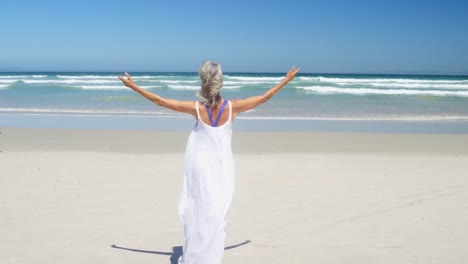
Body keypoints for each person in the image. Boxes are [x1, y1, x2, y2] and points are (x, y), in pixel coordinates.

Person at [118, 62, 300, 264]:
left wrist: (134, 87)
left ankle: (198, 256)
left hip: (200, 167)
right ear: (220, 82)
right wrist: (286, 80)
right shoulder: (234, 107)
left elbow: (160, 101)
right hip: (222, 168)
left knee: (198, 209)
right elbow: (265, 97)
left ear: (203, 81)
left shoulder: (197, 108)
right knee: (217, 212)